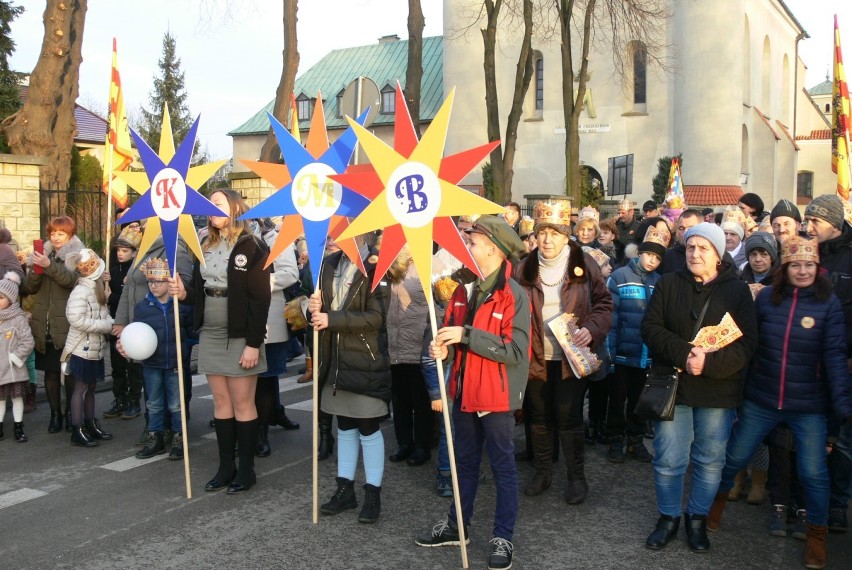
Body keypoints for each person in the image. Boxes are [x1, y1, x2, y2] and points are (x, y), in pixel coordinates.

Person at [706, 236, 852, 570]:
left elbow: (834, 356)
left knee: (813, 473)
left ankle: (816, 535)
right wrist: (737, 389)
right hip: (763, 397)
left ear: (818, 267)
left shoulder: (828, 304)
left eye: (809, 265)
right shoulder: (768, 299)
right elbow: (750, 345)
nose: (803, 271)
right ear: (784, 268)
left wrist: (842, 405)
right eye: (796, 265)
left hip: (809, 406)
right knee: (735, 457)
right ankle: (713, 508)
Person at [415, 215, 529, 570]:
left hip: (495, 398)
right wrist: (443, 348)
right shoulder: (462, 288)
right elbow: (450, 336)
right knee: (463, 464)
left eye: (474, 242)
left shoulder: (514, 295)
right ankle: (457, 526)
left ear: (493, 249)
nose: (468, 246)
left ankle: (502, 537)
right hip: (463, 393)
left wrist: (465, 335)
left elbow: (515, 351)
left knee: (502, 468)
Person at [641, 222, 757, 553]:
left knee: (709, 460)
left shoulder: (736, 291)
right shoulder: (668, 283)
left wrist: (708, 364)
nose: (695, 253)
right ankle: (668, 518)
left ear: (718, 255)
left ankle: (697, 519)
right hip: (674, 386)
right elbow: (650, 328)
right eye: (691, 247)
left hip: (718, 390)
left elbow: (748, 343)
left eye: (704, 248)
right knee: (668, 459)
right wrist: (686, 353)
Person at [170, 189, 271, 494]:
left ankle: (247, 470)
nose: (209, 209)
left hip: (240, 332)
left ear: (234, 208)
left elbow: (260, 298)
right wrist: (184, 293)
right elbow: (202, 287)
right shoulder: (204, 242)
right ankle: (225, 466)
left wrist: (253, 343)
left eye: (216, 203)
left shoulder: (252, 246)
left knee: (242, 403)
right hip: (211, 331)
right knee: (221, 403)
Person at [514, 202, 613, 504]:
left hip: (571, 358)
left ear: (565, 234)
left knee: (569, 417)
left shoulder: (585, 263)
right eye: (542, 233)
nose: (547, 240)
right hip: (536, 357)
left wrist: (592, 330)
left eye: (554, 233)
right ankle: (543, 471)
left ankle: (576, 477)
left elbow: (604, 305)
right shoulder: (525, 267)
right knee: (539, 416)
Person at [307, 233, 391, 524]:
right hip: (335, 361)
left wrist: (333, 318)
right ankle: (345, 489)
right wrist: (313, 310)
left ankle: (373, 494)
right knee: (343, 425)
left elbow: (376, 317)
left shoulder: (377, 265)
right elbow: (320, 311)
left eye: (336, 232)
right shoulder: (327, 263)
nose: (329, 238)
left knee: (368, 427)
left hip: (364, 360)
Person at [114, 223, 193, 446]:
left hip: (168, 323)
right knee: (153, 389)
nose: (142, 229)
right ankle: (154, 429)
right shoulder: (141, 250)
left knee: (175, 387)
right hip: (143, 320)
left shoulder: (175, 250)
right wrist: (121, 321)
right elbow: (128, 288)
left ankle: (177, 430)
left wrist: (161, 275)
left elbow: (184, 286)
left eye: (149, 225)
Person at [802, 194, 852, 533]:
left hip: (845, 361)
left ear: (833, 223)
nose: (807, 227)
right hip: (808, 358)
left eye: (814, 221)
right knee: (812, 434)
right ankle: (807, 501)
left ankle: (837, 505)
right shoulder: (807, 250)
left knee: (844, 439)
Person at [604, 231, 666, 463]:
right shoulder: (620, 277)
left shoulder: (659, 282)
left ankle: (635, 441)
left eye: (657, 258)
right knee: (617, 400)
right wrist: (610, 354)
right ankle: (615, 440)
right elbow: (611, 318)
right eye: (648, 254)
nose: (651, 260)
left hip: (645, 356)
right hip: (621, 355)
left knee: (640, 401)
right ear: (639, 254)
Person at [21, 216, 84, 434]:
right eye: (53, 233)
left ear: (70, 235)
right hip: (44, 325)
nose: (56, 238)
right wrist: (36, 268)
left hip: (67, 323)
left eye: (61, 234)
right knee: (50, 373)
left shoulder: (78, 255)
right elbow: (29, 287)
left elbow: (71, 281)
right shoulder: (42, 254)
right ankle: (55, 415)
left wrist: (49, 266)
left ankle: (71, 414)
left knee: (69, 373)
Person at [255, 218, 301, 458]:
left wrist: (256, 283)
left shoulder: (276, 239)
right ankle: (272, 413)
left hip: (268, 317)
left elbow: (290, 274)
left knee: (266, 375)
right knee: (252, 376)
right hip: (239, 317)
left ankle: (261, 432)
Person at [386, 247, 433, 466]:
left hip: (418, 344)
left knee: (420, 399)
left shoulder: (428, 263)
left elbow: (439, 304)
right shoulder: (390, 263)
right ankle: (404, 442)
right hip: (395, 345)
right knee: (400, 399)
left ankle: (423, 445)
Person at [64, 249, 114, 447]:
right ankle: (77, 429)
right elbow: (75, 319)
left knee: (91, 387)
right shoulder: (81, 291)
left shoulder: (96, 289)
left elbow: (103, 315)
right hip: (82, 348)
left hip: (95, 347)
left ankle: (90, 422)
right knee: (81, 388)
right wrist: (105, 326)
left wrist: (113, 323)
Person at [104, 223, 144, 420]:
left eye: (125, 250)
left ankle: (134, 400)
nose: (120, 254)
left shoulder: (136, 271)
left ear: (134, 252)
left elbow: (128, 298)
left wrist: (111, 296)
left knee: (133, 364)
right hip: (115, 321)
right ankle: (119, 398)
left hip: (132, 322)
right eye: (118, 250)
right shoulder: (111, 270)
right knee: (117, 364)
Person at [0, 273, 34, 443]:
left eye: (1, 297)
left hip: (13, 368)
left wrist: (16, 357)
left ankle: (18, 427)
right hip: (0, 370)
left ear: (11, 299)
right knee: (0, 400)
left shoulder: (18, 319)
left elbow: (28, 341)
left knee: (16, 397)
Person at [659, 209, 702, 275]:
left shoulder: (708, 255)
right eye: (681, 228)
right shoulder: (666, 257)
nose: (685, 232)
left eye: (690, 228)